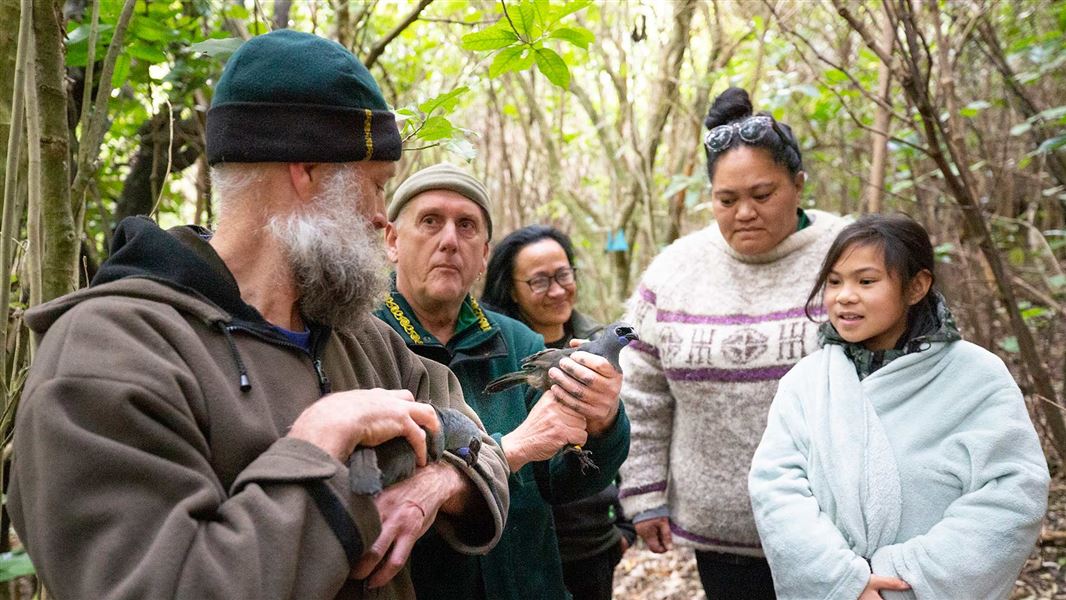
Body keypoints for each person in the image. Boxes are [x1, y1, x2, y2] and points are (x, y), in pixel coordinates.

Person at [8, 30, 510, 600]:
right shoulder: (107, 354)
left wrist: (440, 482)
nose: (381, 218)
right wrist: (318, 447)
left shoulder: (361, 339)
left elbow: (479, 442)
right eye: (374, 187)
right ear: (309, 171)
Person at [617, 87, 847, 599]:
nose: (744, 212)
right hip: (723, 536)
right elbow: (641, 394)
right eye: (727, 199)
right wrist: (644, 494)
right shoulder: (675, 270)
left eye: (762, 195)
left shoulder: (850, 255)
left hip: (839, 527)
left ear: (799, 185)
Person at [749, 214, 1050, 599]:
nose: (844, 296)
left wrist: (904, 578)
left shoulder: (977, 377)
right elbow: (776, 488)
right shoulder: (806, 383)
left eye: (866, 281)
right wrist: (841, 580)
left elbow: (1013, 491)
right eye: (834, 281)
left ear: (916, 286)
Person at [372, 163, 630, 600]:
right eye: (430, 221)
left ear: (485, 254)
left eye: (467, 226)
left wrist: (604, 421)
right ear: (393, 240)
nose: (449, 240)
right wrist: (513, 448)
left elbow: (564, 483)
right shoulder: (363, 339)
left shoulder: (516, 341)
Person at [482, 224, 636, 600]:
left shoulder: (600, 340)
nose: (556, 289)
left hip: (595, 545)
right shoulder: (491, 352)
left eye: (563, 274)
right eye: (539, 281)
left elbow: (625, 438)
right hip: (528, 554)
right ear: (511, 290)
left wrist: (626, 529)